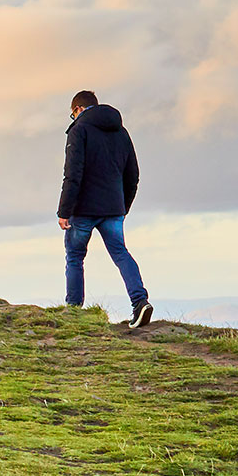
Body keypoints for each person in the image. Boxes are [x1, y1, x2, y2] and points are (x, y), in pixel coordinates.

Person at [57, 89, 150, 326]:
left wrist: (64, 211)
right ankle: (140, 302)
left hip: (84, 209)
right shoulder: (121, 132)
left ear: (77, 110)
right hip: (113, 207)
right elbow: (133, 176)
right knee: (121, 253)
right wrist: (123, 206)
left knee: (75, 257)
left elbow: (73, 174)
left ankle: (74, 312)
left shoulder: (79, 131)